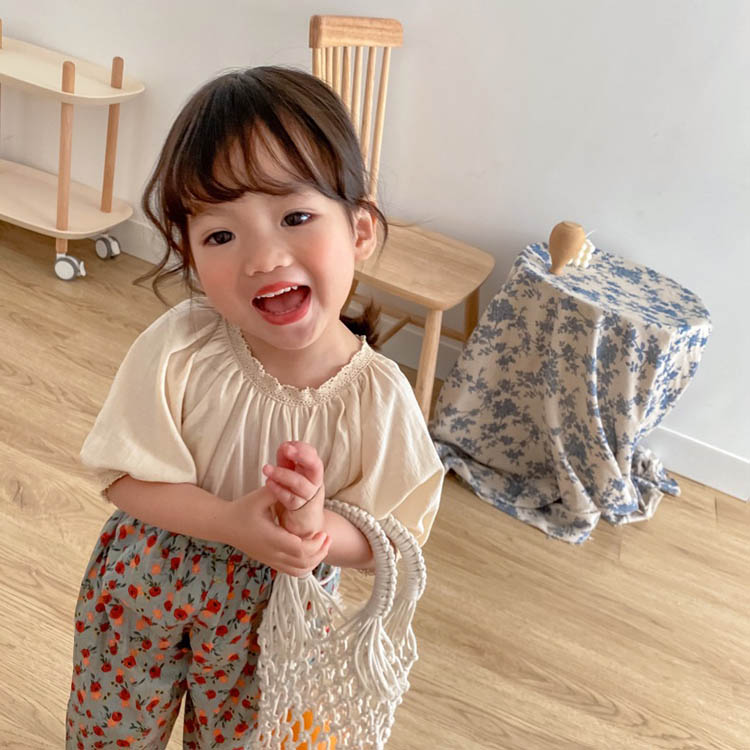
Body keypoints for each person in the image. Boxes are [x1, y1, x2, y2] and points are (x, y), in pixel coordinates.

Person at [65, 65, 445, 750]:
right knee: (109, 736)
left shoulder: (378, 397)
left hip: (276, 620)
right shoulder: (182, 347)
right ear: (187, 253)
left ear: (360, 230)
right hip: (143, 589)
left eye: (295, 217)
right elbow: (121, 478)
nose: (263, 258)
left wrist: (316, 526)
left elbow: (393, 541)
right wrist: (226, 522)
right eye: (220, 236)